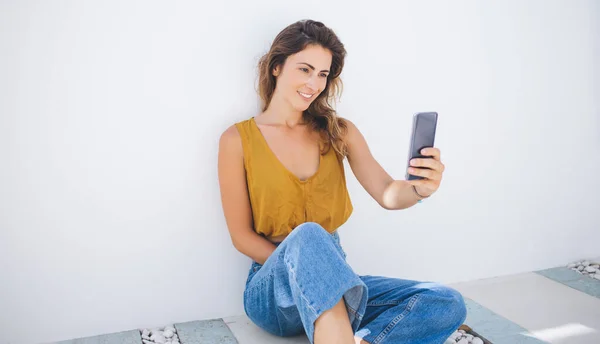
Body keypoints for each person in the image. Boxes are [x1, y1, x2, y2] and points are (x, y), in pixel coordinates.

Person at [217, 19, 466, 344]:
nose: (314, 83)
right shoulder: (237, 139)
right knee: (307, 235)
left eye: (323, 74)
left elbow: (388, 193)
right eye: (305, 69)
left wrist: (420, 188)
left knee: (445, 302)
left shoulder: (339, 132)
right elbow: (241, 237)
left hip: (337, 278)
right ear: (276, 67)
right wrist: (302, 265)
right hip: (274, 291)